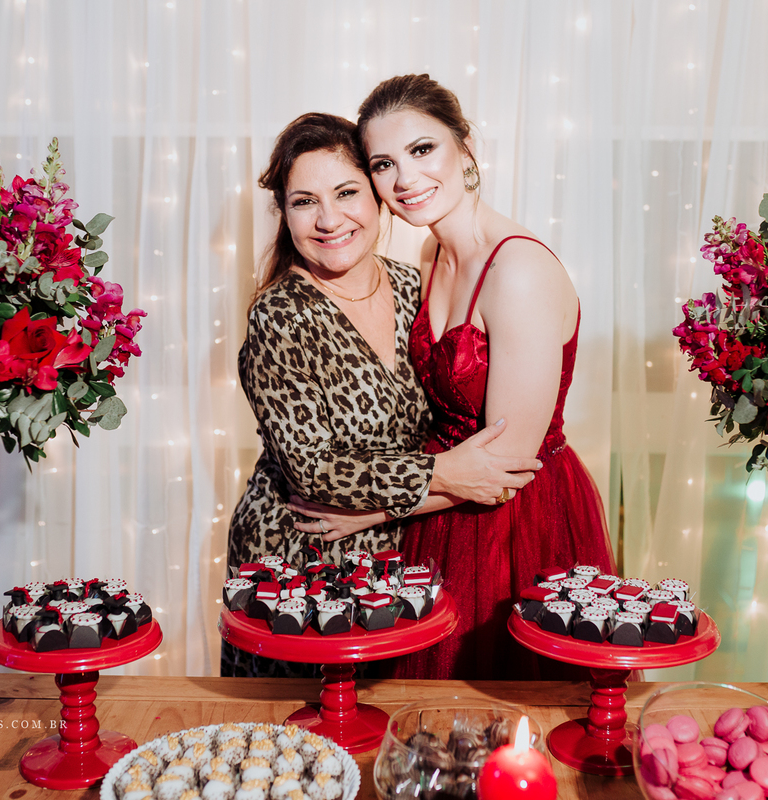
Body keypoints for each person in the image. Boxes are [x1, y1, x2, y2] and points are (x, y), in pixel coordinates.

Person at [289, 76, 619, 680]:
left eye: (422, 150)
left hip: (516, 523)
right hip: (437, 510)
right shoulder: (430, 255)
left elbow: (507, 466)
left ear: (465, 149)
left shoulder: (517, 269)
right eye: (384, 163)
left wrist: (372, 512)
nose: (405, 179)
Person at [224, 112, 539, 677]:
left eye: (347, 192)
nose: (329, 219)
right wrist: (443, 473)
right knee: (304, 743)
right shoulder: (281, 314)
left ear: (378, 198)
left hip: (401, 543)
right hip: (301, 556)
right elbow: (314, 472)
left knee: (390, 732)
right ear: (284, 215)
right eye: (303, 202)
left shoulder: (413, 282)